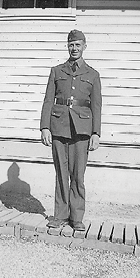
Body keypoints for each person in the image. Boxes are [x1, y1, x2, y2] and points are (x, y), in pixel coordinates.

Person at [39, 29, 102, 231]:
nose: (74, 48)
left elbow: (96, 106)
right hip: (58, 127)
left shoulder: (93, 74)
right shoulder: (57, 71)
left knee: (78, 175)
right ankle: (59, 216)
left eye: (78, 44)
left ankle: (76, 218)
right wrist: (45, 127)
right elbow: (48, 100)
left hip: (82, 129)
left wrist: (96, 133)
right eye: (71, 45)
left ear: (85, 46)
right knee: (61, 173)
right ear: (67, 46)